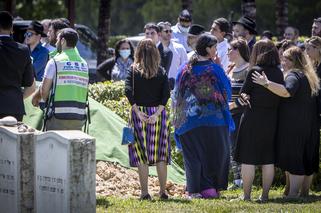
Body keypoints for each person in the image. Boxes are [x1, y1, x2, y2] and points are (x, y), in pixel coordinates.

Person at [251, 46, 320, 198]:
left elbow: (286, 92)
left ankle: (293, 194)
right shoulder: (308, 75)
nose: (283, 61)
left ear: (294, 61)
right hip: (309, 125)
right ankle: (303, 193)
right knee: (306, 159)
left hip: (294, 125)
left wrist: (266, 83)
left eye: (286, 59)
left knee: (294, 159)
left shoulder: (293, 75)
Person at [172, 34, 234, 199]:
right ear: (207, 49)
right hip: (215, 120)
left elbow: (177, 95)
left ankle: (194, 191)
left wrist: (177, 121)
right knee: (216, 154)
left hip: (188, 121)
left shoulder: (184, 69)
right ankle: (212, 188)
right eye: (214, 47)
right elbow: (227, 93)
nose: (216, 50)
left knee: (193, 157)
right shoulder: (214, 69)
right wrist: (221, 69)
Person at [234, 40, 284, 201]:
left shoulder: (254, 71)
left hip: (252, 117)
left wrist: (245, 95)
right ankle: (265, 196)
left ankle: (247, 196)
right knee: (268, 159)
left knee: (248, 159)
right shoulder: (278, 72)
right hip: (272, 119)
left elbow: (243, 94)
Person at [124, 38, 171, 200]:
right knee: (160, 154)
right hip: (158, 114)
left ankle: (144, 193)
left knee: (141, 155)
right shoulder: (162, 71)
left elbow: (128, 91)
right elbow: (166, 94)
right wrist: (157, 114)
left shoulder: (132, 70)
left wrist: (137, 112)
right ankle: (163, 191)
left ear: (138, 53)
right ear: (155, 53)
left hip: (139, 115)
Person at [32, 28, 89, 131]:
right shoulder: (84, 64)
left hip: (58, 116)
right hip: (79, 117)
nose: (56, 42)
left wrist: (42, 101)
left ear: (63, 41)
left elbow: (44, 90)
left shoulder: (55, 61)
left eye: (58, 40)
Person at [0, 11, 35, 121]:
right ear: (12, 29)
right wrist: (18, 98)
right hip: (15, 108)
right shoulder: (24, 50)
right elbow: (30, 84)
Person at [226, 38, 250, 190]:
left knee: (240, 147)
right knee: (231, 147)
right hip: (230, 114)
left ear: (239, 51)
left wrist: (232, 105)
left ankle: (243, 180)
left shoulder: (249, 70)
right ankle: (237, 180)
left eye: (231, 49)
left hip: (242, 114)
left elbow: (248, 95)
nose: (228, 52)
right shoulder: (230, 68)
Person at [157, 21, 188, 89]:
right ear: (160, 33)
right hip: (158, 86)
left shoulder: (180, 48)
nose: (169, 33)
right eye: (166, 31)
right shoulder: (154, 49)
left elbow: (185, 68)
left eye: (170, 31)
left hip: (176, 87)